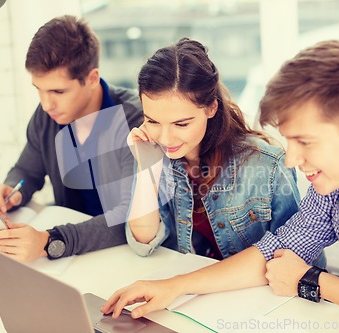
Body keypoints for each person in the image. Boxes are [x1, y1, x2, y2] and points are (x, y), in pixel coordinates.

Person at [101, 40, 339, 333]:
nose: (291, 159)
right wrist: (175, 286)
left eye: (305, 141)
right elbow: (279, 248)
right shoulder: (337, 180)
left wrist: (312, 280)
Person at [124, 37, 304, 262]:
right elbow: (142, 243)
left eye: (181, 124)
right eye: (152, 121)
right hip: (190, 287)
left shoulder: (266, 166)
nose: (165, 138)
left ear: (211, 108)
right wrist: (147, 170)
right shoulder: (152, 151)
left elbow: (299, 258)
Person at [0, 15, 143, 262]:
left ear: (91, 78)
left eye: (58, 91)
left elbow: (130, 215)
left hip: (129, 255)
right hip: (75, 253)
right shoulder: (49, 116)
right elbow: (27, 171)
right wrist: (13, 188)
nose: (46, 104)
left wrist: (51, 241)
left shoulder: (135, 121)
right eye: (39, 90)